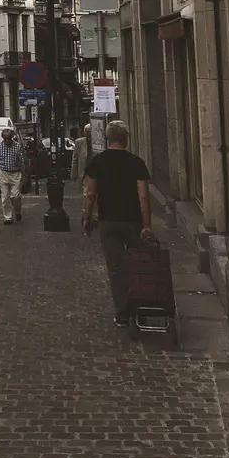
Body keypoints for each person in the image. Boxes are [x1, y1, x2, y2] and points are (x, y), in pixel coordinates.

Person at [81, 119, 154, 325]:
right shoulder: (136, 163)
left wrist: (87, 217)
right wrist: (147, 225)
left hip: (108, 220)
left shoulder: (99, 162)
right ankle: (139, 307)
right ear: (126, 139)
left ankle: (122, 312)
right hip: (132, 221)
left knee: (115, 267)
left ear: (107, 139)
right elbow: (143, 197)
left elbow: (90, 194)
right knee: (136, 264)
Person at [0, 128, 26, 225]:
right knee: (5, 197)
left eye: (8, 138)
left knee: (15, 195)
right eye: (5, 138)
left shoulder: (17, 147)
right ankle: (8, 217)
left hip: (16, 173)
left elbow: (22, 161)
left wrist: (24, 174)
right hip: (3, 173)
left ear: (11, 138)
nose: (7, 141)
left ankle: (17, 211)